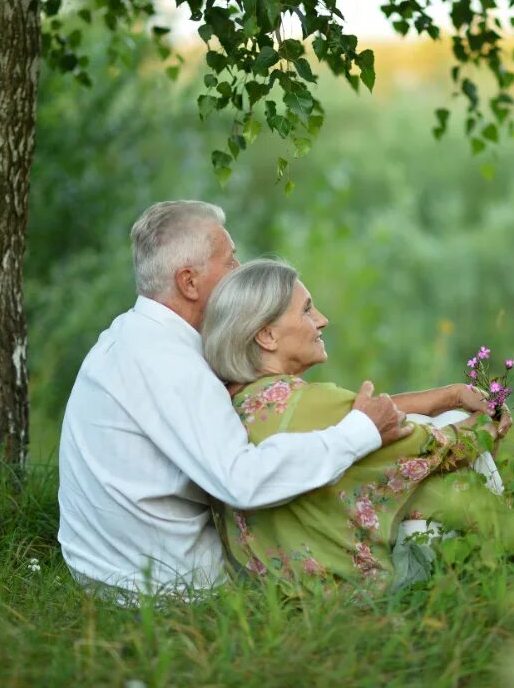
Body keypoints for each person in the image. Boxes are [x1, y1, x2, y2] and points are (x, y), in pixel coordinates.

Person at [57, 201, 413, 599]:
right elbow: (243, 481)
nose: (240, 272)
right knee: (353, 502)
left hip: (108, 566)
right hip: (161, 588)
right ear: (189, 282)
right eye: (230, 261)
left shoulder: (131, 336)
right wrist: (360, 432)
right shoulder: (171, 365)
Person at [202, 258, 510, 591]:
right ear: (266, 335)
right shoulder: (311, 403)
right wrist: (488, 425)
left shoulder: (241, 406)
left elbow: (370, 413)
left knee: (440, 418)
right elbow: (438, 445)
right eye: (307, 311)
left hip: (283, 594)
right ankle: (503, 559)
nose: (322, 320)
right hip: (353, 593)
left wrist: (449, 395)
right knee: (450, 442)